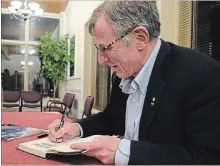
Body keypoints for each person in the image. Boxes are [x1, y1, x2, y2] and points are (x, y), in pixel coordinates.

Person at [48, 1, 220, 165]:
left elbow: (207, 158)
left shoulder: (202, 75)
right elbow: (111, 119)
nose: (101, 60)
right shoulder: (123, 72)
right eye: (98, 49)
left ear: (140, 38)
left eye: (105, 48)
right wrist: (77, 128)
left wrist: (123, 151)